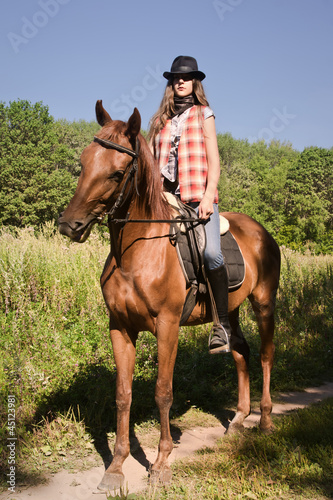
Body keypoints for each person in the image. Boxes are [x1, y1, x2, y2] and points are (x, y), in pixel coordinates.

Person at [148, 55, 232, 354]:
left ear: (195, 82)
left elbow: (214, 158)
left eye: (186, 77)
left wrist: (210, 195)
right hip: (164, 199)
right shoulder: (160, 121)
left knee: (211, 253)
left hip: (197, 196)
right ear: (170, 84)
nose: (180, 81)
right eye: (175, 78)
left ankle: (222, 324)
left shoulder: (204, 113)